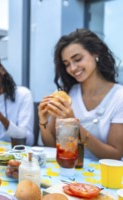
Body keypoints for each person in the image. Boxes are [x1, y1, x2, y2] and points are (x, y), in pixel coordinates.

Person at [38, 28, 123, 161]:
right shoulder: (66, 94)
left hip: (105, 178)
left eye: (77, 59)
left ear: (96, 54)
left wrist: (74, 124)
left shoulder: (119, 97)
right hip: (68, 173)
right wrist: (42, 121)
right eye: (66, 64)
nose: (72, 68)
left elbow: (115, 155)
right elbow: (51, 146)